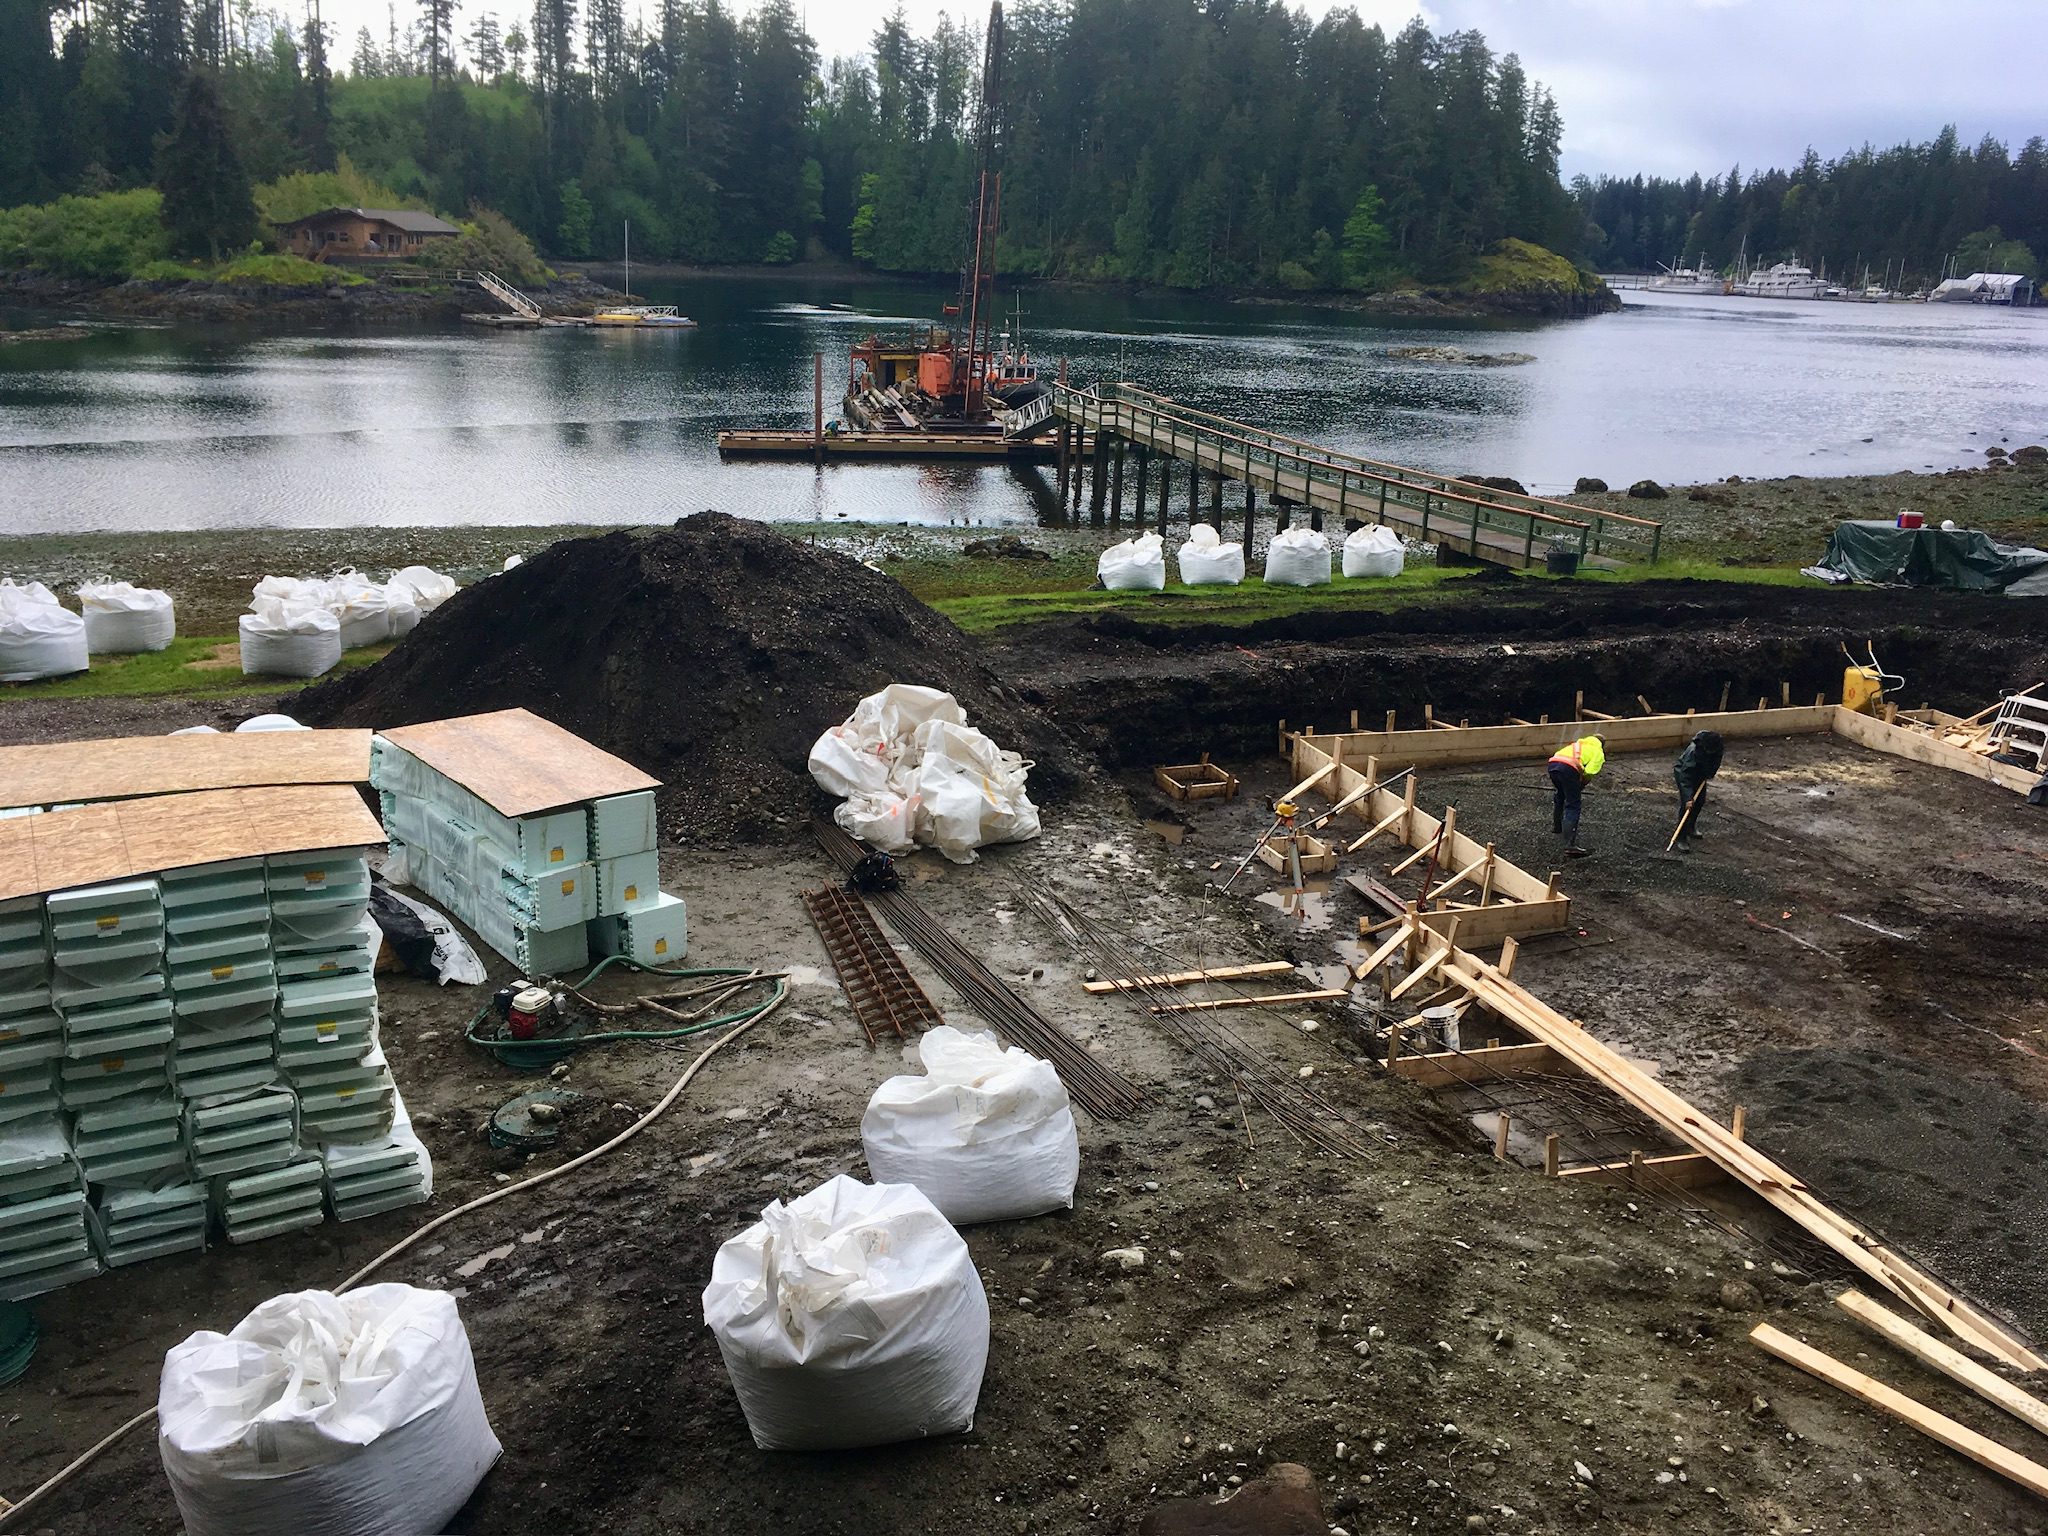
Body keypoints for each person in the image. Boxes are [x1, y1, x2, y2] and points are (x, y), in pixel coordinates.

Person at [1547, 733, 1604, 857]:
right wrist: (1580, 785)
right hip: (1569, 768)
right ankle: (1569, 845)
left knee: (1561, 795)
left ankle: (1557, 827)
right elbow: (1589, 772)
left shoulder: (1577, 745)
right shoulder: (1598, 752)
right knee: (1573, 804)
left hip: (1553, 765)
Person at [1672, 729, 1725, 848]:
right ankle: (1681, 837)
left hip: (1701, 774)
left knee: (1700, 801)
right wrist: (1688, 797)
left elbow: (1716, 761)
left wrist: (1710, 773)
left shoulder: (1717, 745)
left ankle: (1691, 827)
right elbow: (1685, 777)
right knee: (1688, 806)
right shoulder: (1693, 752)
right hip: (1684, 774)